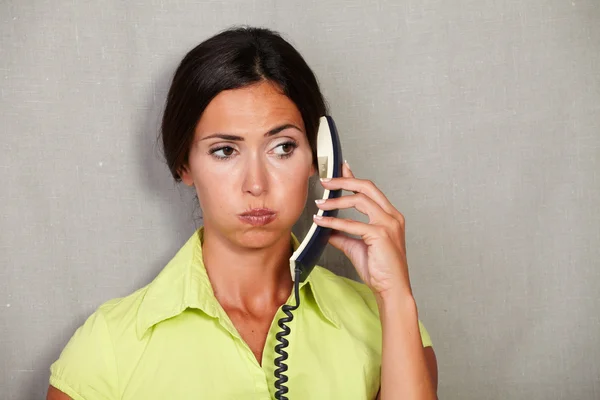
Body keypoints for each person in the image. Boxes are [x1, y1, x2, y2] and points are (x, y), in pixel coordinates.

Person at [47, 26, 438, 400]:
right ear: (184, 165)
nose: (256, 184)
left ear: (320, 160)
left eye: (282, 148)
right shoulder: (107, 348)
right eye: (225, 151)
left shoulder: (386, 323)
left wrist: (395, 297)